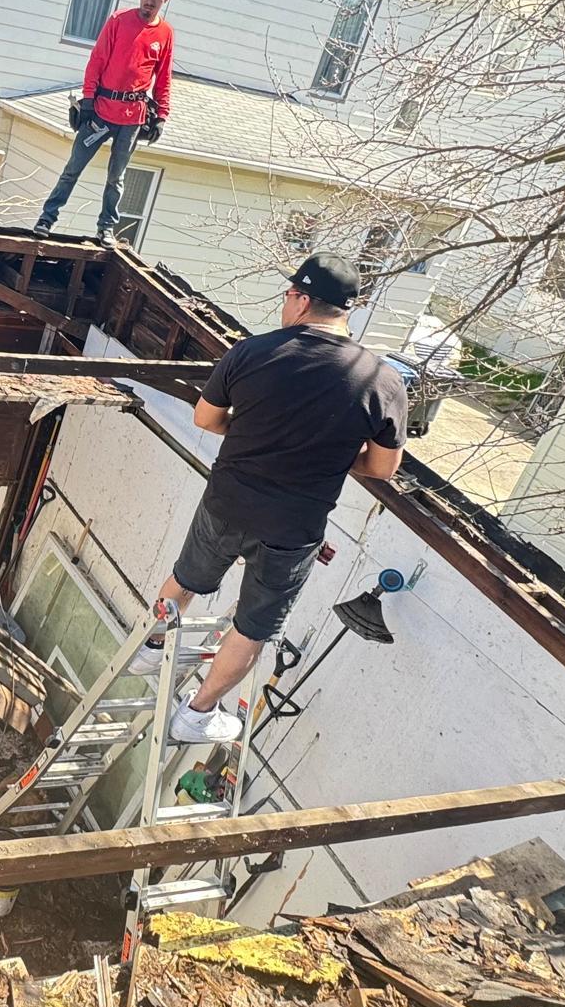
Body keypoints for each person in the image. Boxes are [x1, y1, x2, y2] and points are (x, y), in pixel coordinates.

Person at [142, 253, 411, 744]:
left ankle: (151, 645)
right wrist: (333, 453)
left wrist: (251, 430)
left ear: (303, 300)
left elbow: (206, 418)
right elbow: (381, 468)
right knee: (252, 628)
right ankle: (197, 715)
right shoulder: (382, 381)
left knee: (187, 578)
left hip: (227, 503)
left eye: (288, 296)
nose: (285, 304)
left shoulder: (252, 352)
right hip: (293, 529)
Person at [33, 0, 175, 243]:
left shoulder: (165, 33)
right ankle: (47, 219)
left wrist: (162, 115)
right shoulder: (119, 20)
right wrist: (88, 99)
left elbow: (164, 78)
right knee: (73, 168)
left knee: (116, 177)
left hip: (133, 116)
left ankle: (106, 227)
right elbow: (97, 60)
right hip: (101, 110)